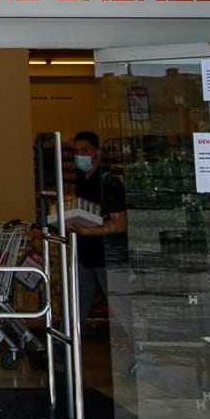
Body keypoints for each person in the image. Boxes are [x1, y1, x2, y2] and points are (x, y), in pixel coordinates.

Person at [67, 131, 128, 327]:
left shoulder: (109, 182)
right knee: (75, 308)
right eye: (77, 151)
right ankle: (63, 344)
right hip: (86, 255)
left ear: (97, 152)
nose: (80, 156)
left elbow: (120, 224)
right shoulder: (82, 180)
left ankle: (138, 346)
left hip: (108, 257)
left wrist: (88, 231)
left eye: (85, 150)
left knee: (123, 309)